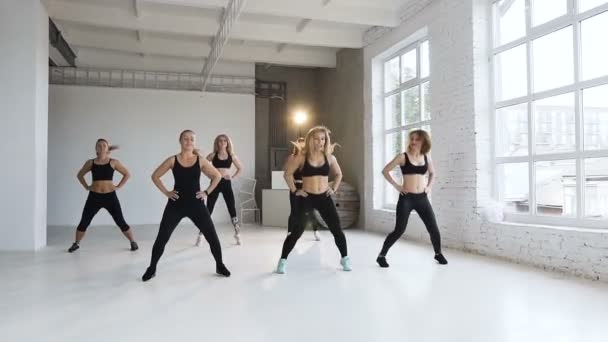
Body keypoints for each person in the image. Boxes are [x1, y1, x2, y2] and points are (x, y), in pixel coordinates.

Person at [142, 130, 230, 282]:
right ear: (180, 141)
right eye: (185, 139)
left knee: (212, 236)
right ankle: (152, 267)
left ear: (194, 142)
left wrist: (207, 192)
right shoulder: (172, 160)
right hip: (175, 205)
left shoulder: (200, 160)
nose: (189, 141)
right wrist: (167, 192)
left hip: (196, 205)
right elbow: (155, 176)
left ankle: (220, 265)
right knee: (162, 237)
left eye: (191, 139)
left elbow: (217, 175)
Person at [276, 126, 351, 274]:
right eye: (317, 138)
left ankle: (345, 258)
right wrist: (295, 190)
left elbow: (339, 174)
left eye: (323, 139)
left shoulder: (330, 157)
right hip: (307, 198)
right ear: (311, 139)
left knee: (337, 230)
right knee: (297, 231)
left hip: (324, 197)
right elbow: (287, 174)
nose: (320, 142)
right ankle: (282, 261)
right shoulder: (302, 157)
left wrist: (334, 188)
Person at [376, 129, 448, 268]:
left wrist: (429, 187)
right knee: (399, 229)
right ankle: (381, 256)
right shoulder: (402, 157)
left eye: (417, 139)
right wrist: (397, 186)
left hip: (422, 198)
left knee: (433, 227)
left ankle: (438, 253)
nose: (413, 141)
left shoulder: (427, 157)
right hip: (407, 198)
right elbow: (385, 171)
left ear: (424, 141)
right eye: (412, 139)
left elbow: (432, 173)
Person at [68, 139, 137, 253]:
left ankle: (133, 242)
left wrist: (118, 186)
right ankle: (76, 244)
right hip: (94, 197)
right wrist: (86, 186)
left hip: (110, 197)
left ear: (107, 148)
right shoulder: (90, 163)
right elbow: (80, 175)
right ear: (96, 149)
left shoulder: (113, 162)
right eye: (98, 145)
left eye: (104, 145)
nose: (101, 147)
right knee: (84, 221)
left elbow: (127, 174)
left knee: (120, 221)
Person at [195, 134, 244, 246]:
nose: (222, 143)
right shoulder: (212, 155)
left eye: (224, 141)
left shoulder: (232, 156)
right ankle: (201, 235)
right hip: (215, 184)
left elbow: (240, 168)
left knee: (232, 208)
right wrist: (210, 176)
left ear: (227, 143)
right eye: (220, 141)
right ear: (217, 143)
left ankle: (237, 234)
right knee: (209, 209)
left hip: (226, 184)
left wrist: (232, 177)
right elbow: (202, 165)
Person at [284, 137, 321, 241]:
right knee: (294, 212)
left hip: (308, 188)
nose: (301, 147)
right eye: (299, 145)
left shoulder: (309, 158)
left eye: (303, 145)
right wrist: (293, 187)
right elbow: (287, 172)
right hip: (295, 188)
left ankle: (316, 231)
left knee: (310, 211)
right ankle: (290, 233)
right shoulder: (292, 157)